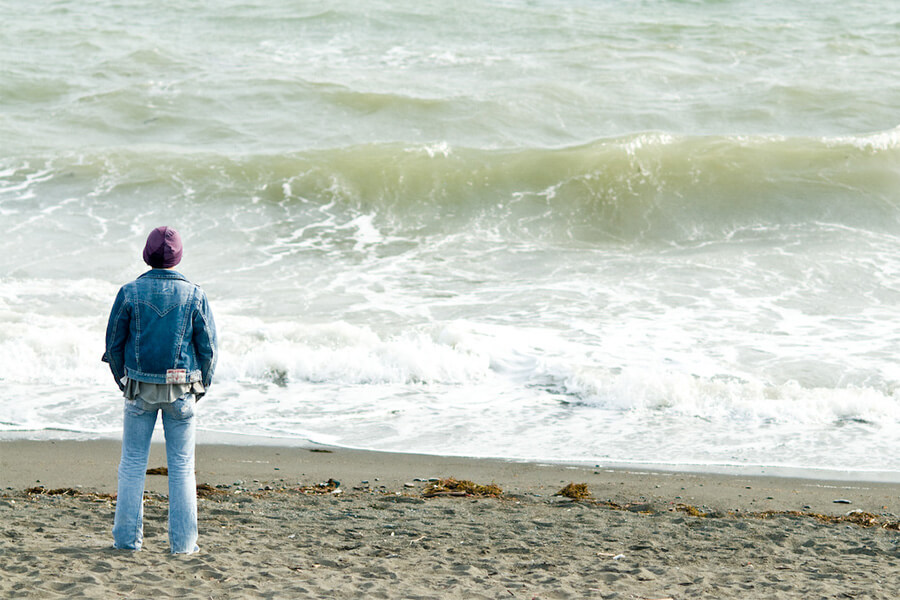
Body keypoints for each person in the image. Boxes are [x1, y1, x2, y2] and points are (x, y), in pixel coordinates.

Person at [104, 226, 217, 554]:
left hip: (139, 388)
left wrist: (121, 379)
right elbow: (208, 347)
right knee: (182, 466)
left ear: (147, 255)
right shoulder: (195, 294)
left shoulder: (129, 292)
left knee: (132, 464)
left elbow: (113, 344)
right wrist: (202, 385)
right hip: (181, 389)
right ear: (178, 257)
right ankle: (183, 546)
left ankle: (126, 543)